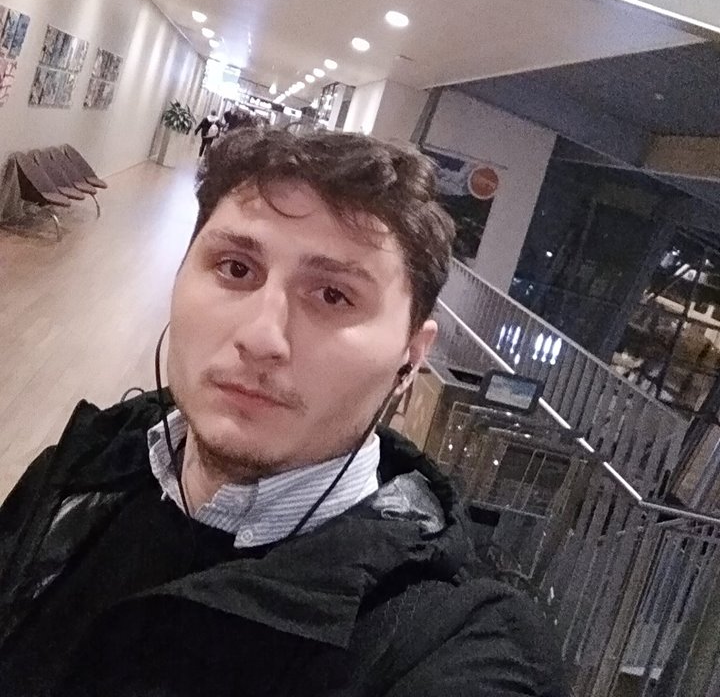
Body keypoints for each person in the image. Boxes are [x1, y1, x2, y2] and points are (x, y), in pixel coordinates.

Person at [0, 130, 567, 697]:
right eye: (235, 268)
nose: (261, 338)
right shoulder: (89, 459)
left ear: (410, 358)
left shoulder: (451, 642)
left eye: (333, 296)